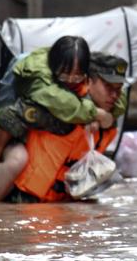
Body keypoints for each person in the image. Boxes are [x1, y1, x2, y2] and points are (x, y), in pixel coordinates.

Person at [0, 36, 123, 202]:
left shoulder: (88, 99)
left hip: (50, 182)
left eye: (76, 77)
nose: (70, 82)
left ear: (86, 76)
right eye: (64, 76)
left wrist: (94, 117)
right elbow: (8, 119)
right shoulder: (47, 95)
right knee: (17, 160)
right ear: (54, 70)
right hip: (10, 137)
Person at [11, 52, 129, 202]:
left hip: (65, 202)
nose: (114, 95)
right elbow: (11, 116)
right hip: (27, 200)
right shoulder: (61, 107)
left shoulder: (109, 115)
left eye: (118, 88)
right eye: (108, 86)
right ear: (88, 81)